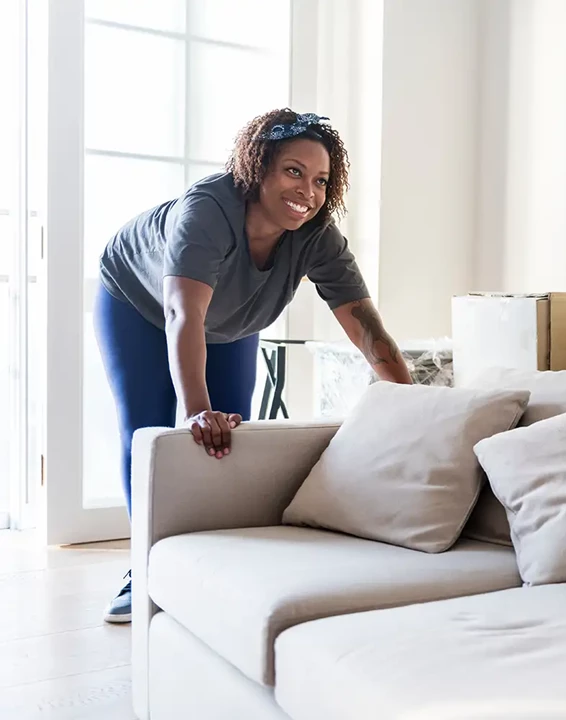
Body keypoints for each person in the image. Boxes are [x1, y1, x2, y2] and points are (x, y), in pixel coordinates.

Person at [94, 109, 412, 624]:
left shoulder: (316, 236)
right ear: (258, 167)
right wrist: (197, 409)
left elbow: (365, 326)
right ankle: (143, 567)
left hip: (229, 319)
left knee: (227, 440)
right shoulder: (208, 211)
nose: (308, 191)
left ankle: (213, 561)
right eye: (293, 171)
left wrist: (413, 400)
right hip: (140, 303)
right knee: (149, 431)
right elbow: (182, 312)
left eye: (320, 180)